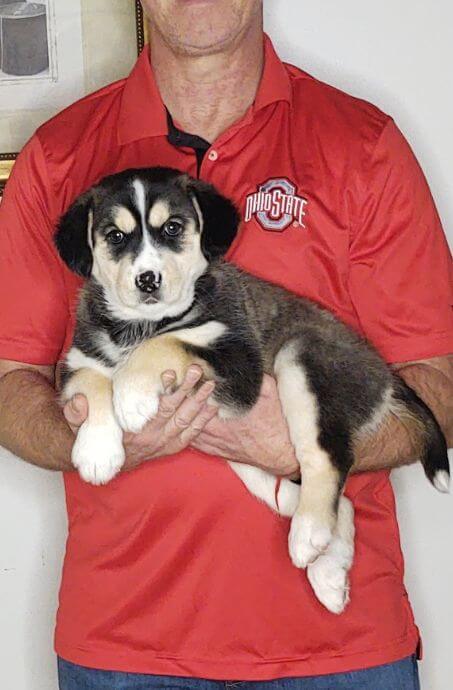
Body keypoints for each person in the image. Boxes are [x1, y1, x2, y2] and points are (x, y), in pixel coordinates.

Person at [0, 1, 451, 688]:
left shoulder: (362, 145)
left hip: (337, 649)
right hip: (124, 648)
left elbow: (438, 390)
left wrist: (304, 444)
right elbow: (10, 382)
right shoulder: (61, 157)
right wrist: (91, 439)